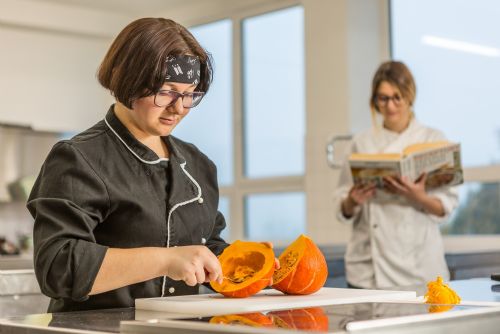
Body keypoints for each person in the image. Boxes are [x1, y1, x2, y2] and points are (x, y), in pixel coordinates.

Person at [27, 17, 229, 312]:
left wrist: (252, 266)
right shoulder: (78, 158)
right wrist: (167, 259)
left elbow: (206, 246)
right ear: (129, 81)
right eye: (167, 92)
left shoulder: (198, 164)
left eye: (189, 95)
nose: (179, 108)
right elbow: (58, 266)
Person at [333, 61, 459, 289]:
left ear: (410, 97)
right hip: (368, 272)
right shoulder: (361, 143)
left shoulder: (433, 139)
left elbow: (446, 207)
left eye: (397, 97)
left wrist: (418, 197)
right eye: (383, 98)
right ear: (374, 101)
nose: (390, 106)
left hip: (419, 268)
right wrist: (352, 201)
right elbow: (342, 205)